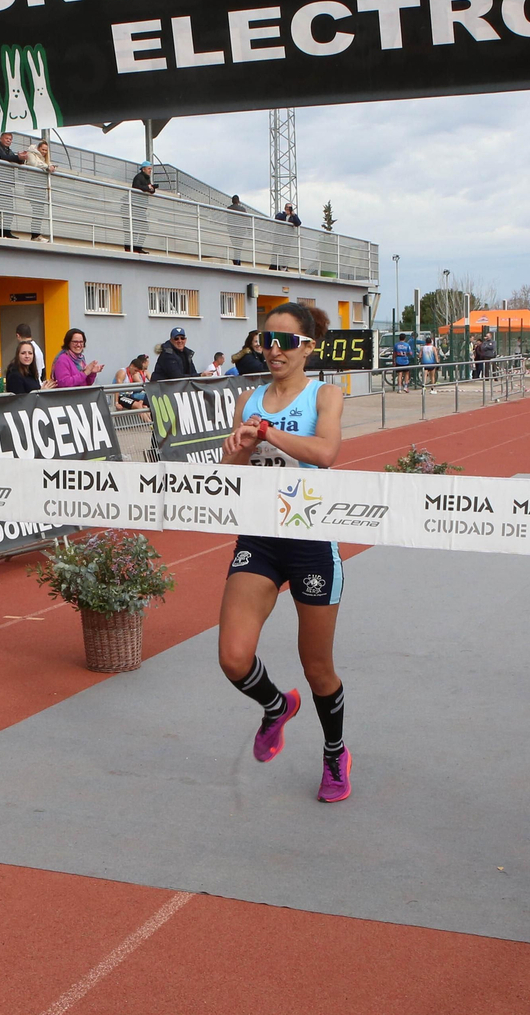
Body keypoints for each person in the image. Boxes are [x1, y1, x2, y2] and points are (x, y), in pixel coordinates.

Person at [218, 303, 351, 803]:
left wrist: (269, 433)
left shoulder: (327, 394)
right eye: (265, 340)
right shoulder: (249, 397)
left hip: (312, 538)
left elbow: (326, 453)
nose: (274, 349)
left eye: (285, 342)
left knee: (317, 668)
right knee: (233, 657)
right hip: (260, 536)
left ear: (307, 348)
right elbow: (231, 474)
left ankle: (335, 754)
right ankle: (276, 706)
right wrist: (238, 445)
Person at [128, 161, 156, 254]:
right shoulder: (138, 177)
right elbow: (136, 187)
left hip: (141, 207)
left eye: (151, 169)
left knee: (144, 227)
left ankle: (138, 247)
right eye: (149, 169)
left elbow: (149, 189)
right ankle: (132, 247)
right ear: (143, 169)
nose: (150, 171)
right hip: (136, 206)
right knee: (137, 227)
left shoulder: (147, 178)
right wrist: (147, 187)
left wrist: (151, 188)